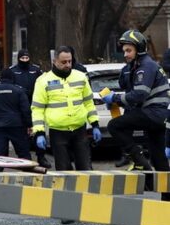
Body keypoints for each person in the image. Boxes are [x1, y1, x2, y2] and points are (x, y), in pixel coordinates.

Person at [104, 30, 170, 201]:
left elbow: (139, 94)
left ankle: (139, 160)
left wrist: (115, 98)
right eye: (124, 51)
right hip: (158, 115)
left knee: (115, 126)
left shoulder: (145, 66)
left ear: (139, 49)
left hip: (153, 113)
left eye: (128, 50)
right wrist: (118, 100)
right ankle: (168, 201)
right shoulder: (139, 65)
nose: (125, 54)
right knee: (159, 158)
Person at [31, 46, 100, 171]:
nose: (68, 65)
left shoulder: (80, 77)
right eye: (63, 62)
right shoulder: (43, 81)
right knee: (63, 171)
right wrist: (39, 132)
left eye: (70, 61)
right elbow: (38, 109)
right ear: (54, 61)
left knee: (85, 168)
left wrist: (95, 124)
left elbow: (88, 103)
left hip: (79, 130)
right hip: (58, 132)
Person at [0, 68, 32, 171]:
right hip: (17, 126)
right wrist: (28, 125)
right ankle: (29, 175)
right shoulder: (19, 90)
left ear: (1, 78)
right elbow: (26, 110)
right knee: (23, 154)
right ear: (12, 77)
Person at [9, 49, 49, 168]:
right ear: (19, 59)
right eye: (23, 59)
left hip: (36, 104)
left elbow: (43, 83)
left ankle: (41, 156)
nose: (25, 61)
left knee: (38, 131)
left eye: (27, 58)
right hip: (19, 107)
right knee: (23, 134)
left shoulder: (35, 70)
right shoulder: (13, 71)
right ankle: (26, 158)